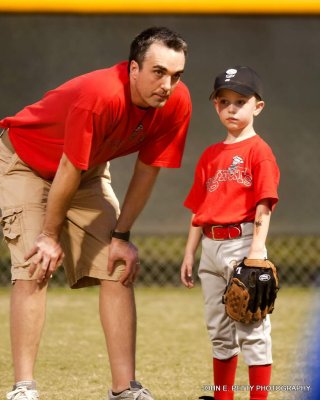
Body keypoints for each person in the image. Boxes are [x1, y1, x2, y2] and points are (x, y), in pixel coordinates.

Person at [0, 26, 191, 400]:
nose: (167, 84)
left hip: (85, 169)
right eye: (158, 72)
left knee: (117, 264)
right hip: (26, 161)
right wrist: (50, 236)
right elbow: (67, 168)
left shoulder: (175, 104)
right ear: (133, 69)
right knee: (35, 263)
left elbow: (148, 169)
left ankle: (125, 389)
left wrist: (121, 236)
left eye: (176, 75)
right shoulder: (101, 96)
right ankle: (24, 388)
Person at [180, 66, 280, 400]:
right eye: (224, 101)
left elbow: (263, 206)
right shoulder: (210, 155)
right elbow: (199, 209)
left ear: (258, 107)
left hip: (243, 244)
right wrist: (189, 252)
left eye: (240, 101)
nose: (231, 108)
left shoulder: (259, 151)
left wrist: (256, 252)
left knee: (252, 329)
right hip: (210, 244)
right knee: (220, 332)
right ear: (216, 106)